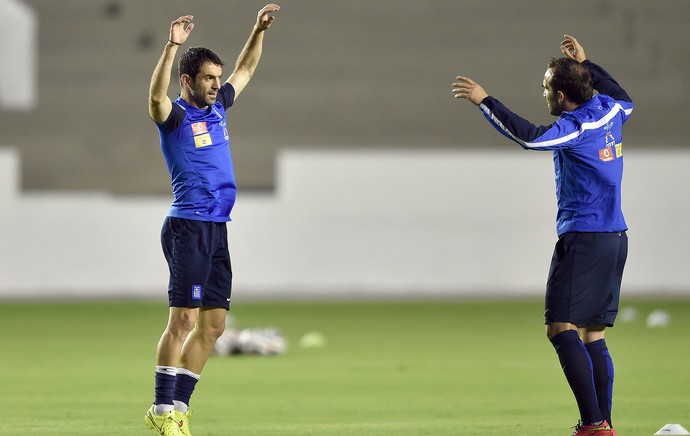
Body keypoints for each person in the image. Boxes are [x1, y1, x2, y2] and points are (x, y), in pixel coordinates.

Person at [452, 35, 632, 436]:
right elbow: (623, 95)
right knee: (593, 334)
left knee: (560, 328)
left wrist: (485, 100)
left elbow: (530, 137)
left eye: (547, 86)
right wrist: (588, 64)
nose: (544, 92)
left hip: (584, 237)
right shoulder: (610, 111)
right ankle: (603, 425)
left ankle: (593, 424)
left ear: (563, 94)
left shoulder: (576, 127)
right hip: (615, 237)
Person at [145, 5, 280, 436]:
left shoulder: (219, 106)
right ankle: (161, 410)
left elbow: (246, 69)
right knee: (182, 321)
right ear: (188, 80)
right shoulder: (176, 118)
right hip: (187, 226)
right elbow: (154, 99)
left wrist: (257, 30)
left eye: (217, 78)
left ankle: (179, 410)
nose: (216, 84)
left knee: (215, 325)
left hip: (217, 227)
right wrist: (171, 47)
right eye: (208, 78)